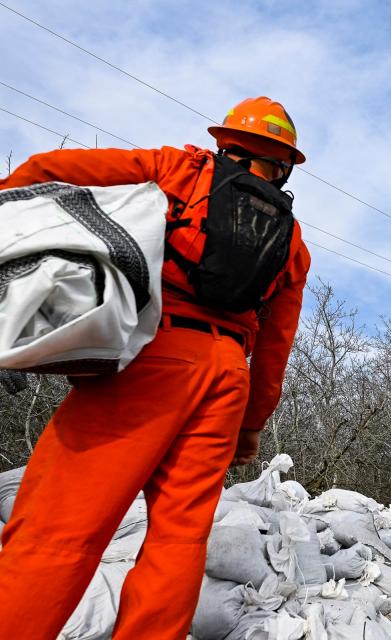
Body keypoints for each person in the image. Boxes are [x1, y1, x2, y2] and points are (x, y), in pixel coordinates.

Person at [0, 97, 311, 639]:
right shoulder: (293, 240)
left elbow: (52, 167)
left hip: (152, 356)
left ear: (227, 144)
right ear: (282, 165)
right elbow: (276, 345)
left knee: (60, 526)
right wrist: (252, 426)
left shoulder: (181, 169)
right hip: (227, 377)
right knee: (179, 540)